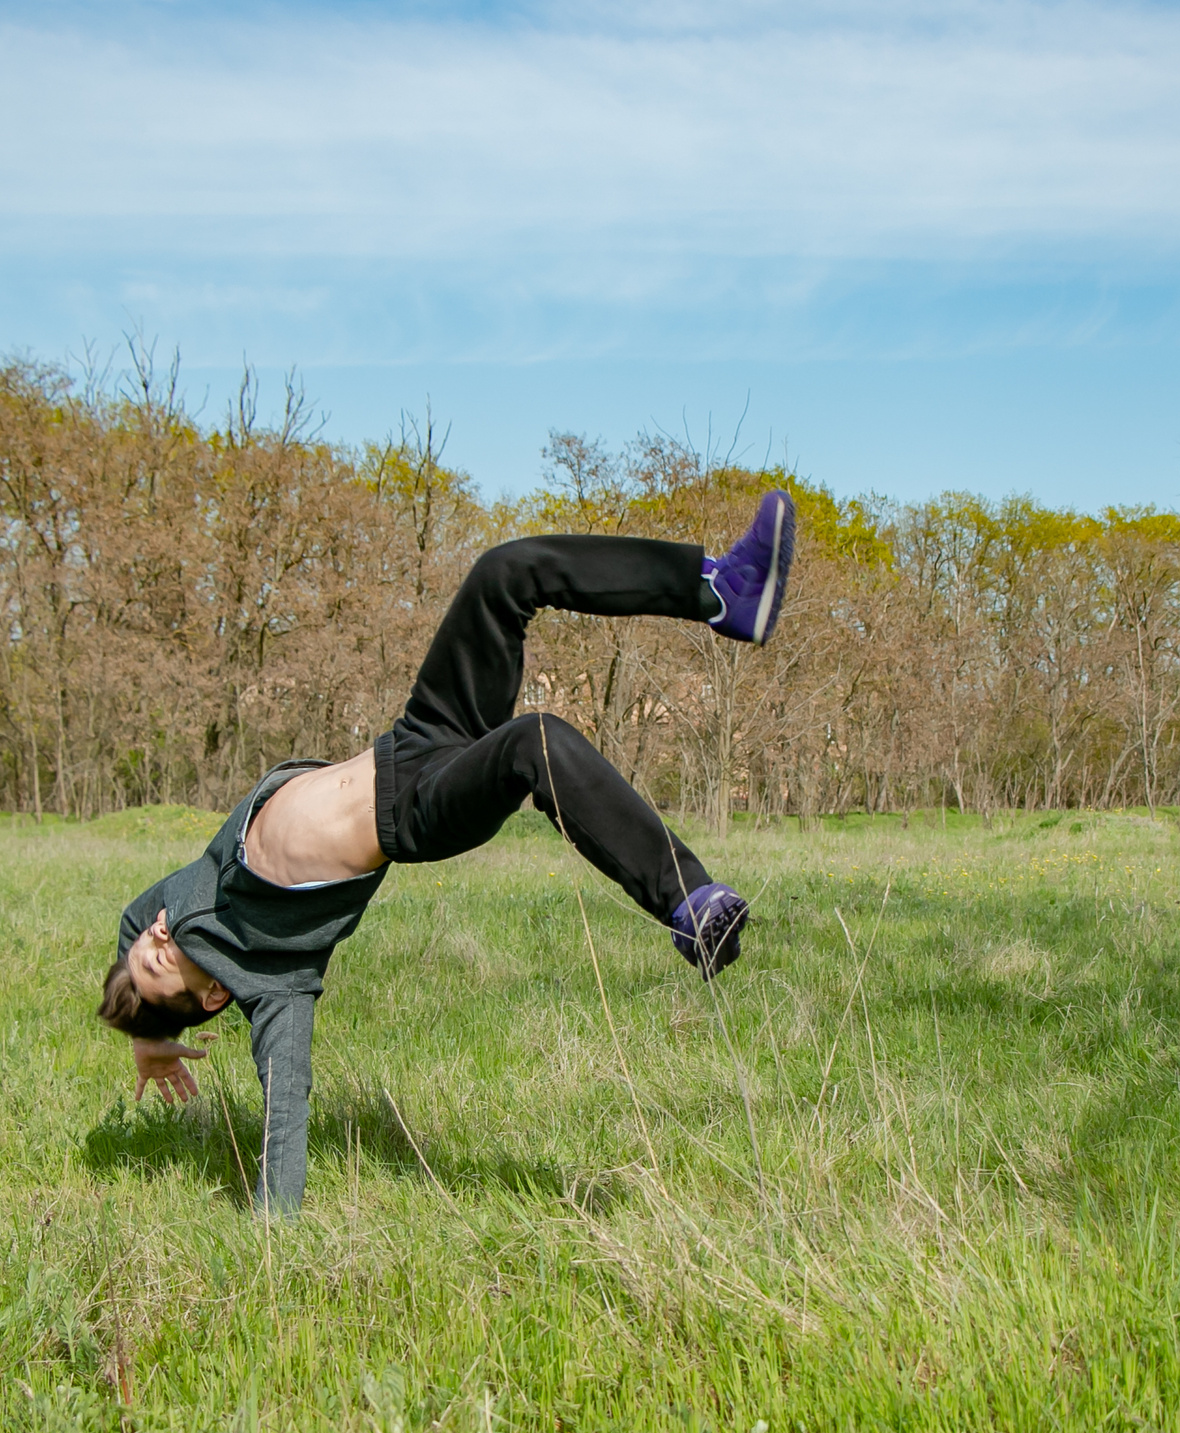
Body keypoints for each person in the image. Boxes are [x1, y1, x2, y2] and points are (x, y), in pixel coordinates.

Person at [98, 491, 800, 1212]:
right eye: (158, 959)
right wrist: (272, 1233)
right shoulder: (276, 986)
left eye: (148, 941)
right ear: (213, 993)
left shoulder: (184, 897)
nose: (154, 933)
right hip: (417, 811)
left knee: (508, 570)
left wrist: (145, 1038)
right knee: (536, 741)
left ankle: (722, 591)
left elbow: (129, 924)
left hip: (414, 737)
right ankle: (689, 902)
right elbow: (285, 1115)